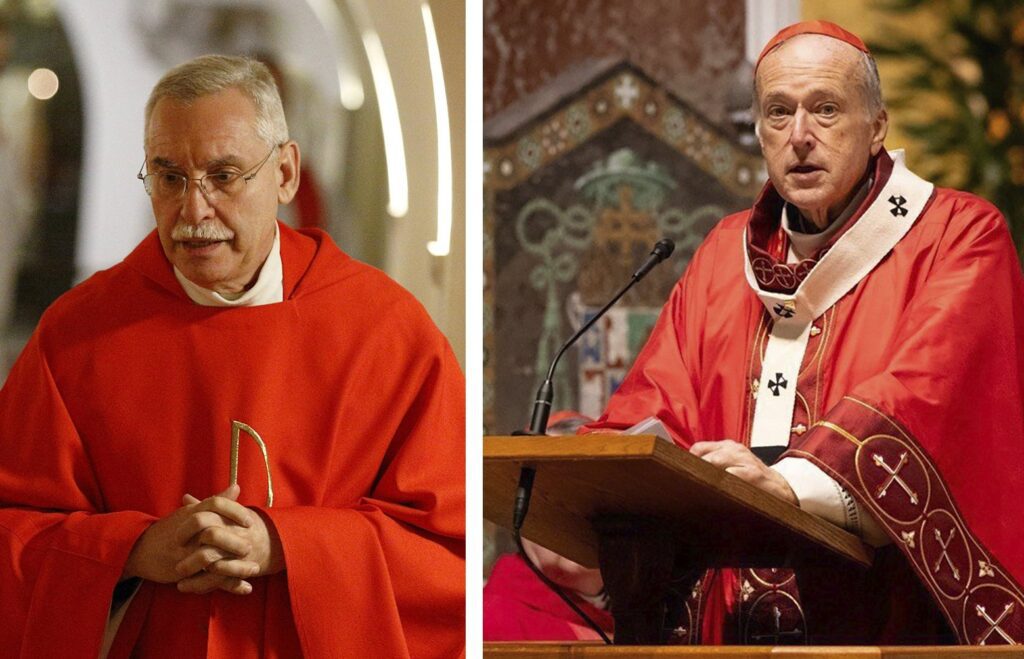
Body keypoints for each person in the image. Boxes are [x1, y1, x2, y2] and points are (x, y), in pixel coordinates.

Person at [0, 55, 464, 658]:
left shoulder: (386, 332)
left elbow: (445, 548)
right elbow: (14, 532)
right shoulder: (77, 335)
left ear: (287, 173)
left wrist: (288, 546)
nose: (193, 212)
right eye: (169, 178)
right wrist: (135, 550)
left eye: (223, 176)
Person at [580, 21, 1024, 645]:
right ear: (758, 132)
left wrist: (791, 482)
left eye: (825, 109)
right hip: (726, 626)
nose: (800, 137)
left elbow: (929, 393)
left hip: (879, 621)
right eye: (778, 113)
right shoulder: (722, 255)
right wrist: (595, 454)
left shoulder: (957, 235)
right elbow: (661, 400)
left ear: (877, 127)